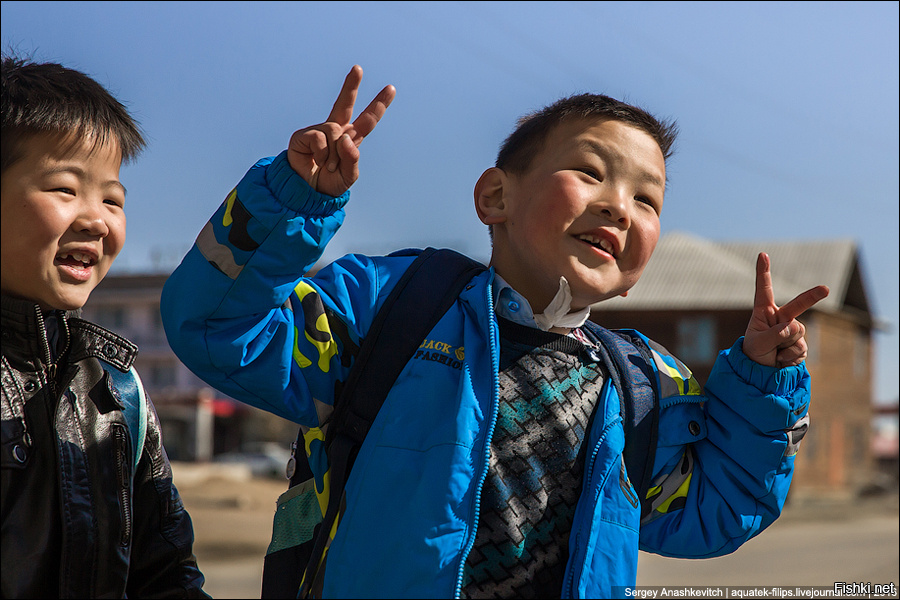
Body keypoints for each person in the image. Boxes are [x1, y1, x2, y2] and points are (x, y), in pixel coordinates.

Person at [161, 65, 828, 599]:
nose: (617, 205)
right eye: (591, 171)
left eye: (647, 198)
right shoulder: (391, 308)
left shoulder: (644, 387)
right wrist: (293, 201)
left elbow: (718, 509)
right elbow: (218, 328)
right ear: (495, 198)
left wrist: (763, 382)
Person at [1, 54, 209, 598]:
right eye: (65, 189)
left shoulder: (115, 391)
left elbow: (164, 575)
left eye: (112, 198)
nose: (96, 218)